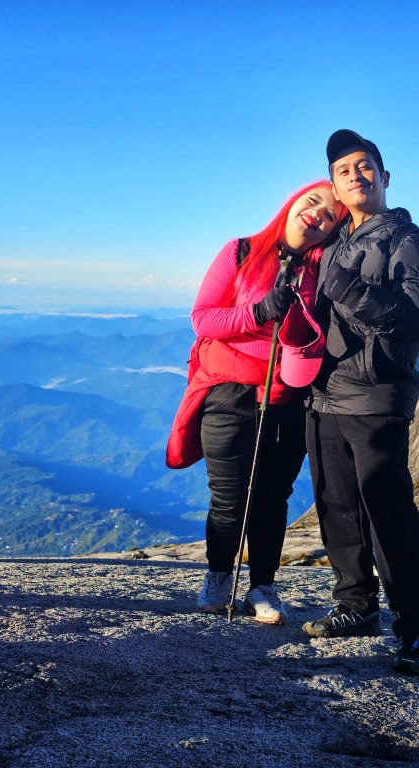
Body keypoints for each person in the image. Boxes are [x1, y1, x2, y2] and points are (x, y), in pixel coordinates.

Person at [166, 181, 344, 625]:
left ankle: (262, 586)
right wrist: (259, 313)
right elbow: (202, 317)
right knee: (228, 498)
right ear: (294, 201)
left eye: (331, 215)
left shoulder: (325, 272)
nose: (318, 214)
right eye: (314, 201)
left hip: (288, 395)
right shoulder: (241, 251)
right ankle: (219, 577)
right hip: (229, 392)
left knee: (272, 498)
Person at [302, 130, 419, 675]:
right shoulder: (334, 243)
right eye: (345, 171)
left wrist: (341, 286)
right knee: (337, 505)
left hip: (378, 395)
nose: (356, 177)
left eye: (366, 167)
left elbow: (415, 320)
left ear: (385, 178)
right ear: (336, 187)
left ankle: (413, 627)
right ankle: (355, 606)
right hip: (324, 392)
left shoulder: (411, 242)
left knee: (388, 510)